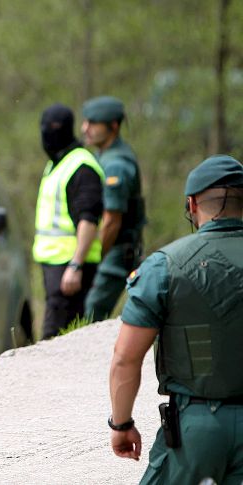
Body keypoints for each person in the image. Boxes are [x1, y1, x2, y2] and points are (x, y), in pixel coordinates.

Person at [109, 155, 243, 484]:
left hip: (197, 429)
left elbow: (126, 358)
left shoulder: (163, 267)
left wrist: (122, 424)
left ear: (192, 204)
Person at [33, 104, 105, 339]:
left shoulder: (81, 166)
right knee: (60, 336)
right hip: (55, 265)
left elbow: (88, 220)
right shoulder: (57, 163)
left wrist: (76, 265)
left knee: (55, 336)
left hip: (70, 267)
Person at [82, 96, 146, 321]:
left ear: (113, 126)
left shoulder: (116, 164)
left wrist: (97, 254)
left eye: (92, 123)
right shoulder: (103, 157)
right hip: (112, 248)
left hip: (116, 249)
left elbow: (112, 220)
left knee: (91, 312)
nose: (85, 128)